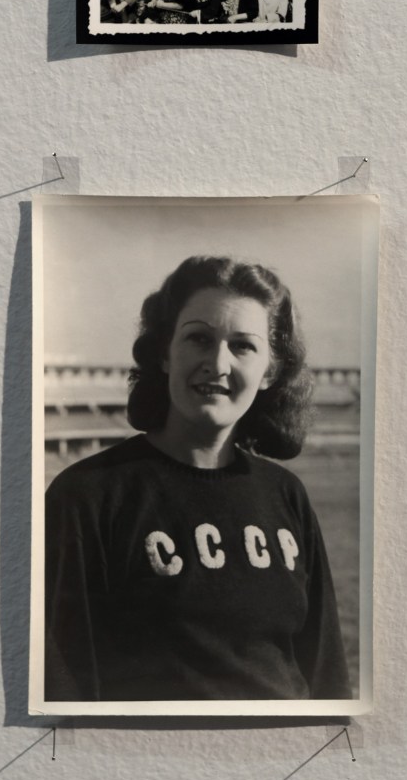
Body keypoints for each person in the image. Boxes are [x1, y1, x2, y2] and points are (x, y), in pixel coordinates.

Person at [45, 255, 351, 702]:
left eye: (243, 346)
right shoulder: (87, 497)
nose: (218, 363)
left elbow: (326, 670)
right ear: (165, 353)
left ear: (269, 371)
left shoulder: (287, 495)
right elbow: (63, 683)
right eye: (199, 339)